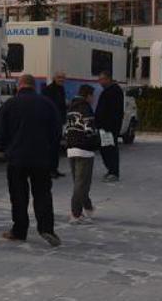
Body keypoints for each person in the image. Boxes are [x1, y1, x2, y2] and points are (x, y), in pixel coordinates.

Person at [0, 74, 62, 247]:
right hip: (41, 158)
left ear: (19, 85)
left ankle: (19, 230)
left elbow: (0, 131)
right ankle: (47, 228)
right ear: (34, 86)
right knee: (43, 194)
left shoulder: (9, 104)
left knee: (18, 196)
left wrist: (7, 149)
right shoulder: (47, 104)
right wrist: (48, 150)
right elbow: (57, 132)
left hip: (17, 159)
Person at [65, 84, 98, 224]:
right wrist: (97, 141)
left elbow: (66, 129)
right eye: (92, 95)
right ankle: (75, 213)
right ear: (88, 95)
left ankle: (88, 207)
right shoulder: (86, 108)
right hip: (84, 150)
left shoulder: (71, 108)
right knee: (82, 184)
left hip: (71, 148)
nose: (93, 98)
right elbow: (89, 130)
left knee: (79, 182)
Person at [95, 71, 124, 183]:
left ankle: (114, 172)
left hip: (109, 128)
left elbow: (114, 111)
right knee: (105, 149)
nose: (100, 82)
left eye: (102, 79)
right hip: (104, 127)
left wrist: (108, 126)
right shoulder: (107, 91)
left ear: (108, 79)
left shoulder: (114, 91)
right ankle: (110, 170)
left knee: (110, 149)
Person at [41, 71, 67, 179]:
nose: (61, 80)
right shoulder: (48, 90)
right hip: (50, 122)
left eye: (63, 78)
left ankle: (54, 169)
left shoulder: (61, 89)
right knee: (50, 147)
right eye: (59, 77)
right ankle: (49, 170)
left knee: (56, 147)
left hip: (58, 122)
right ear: (54, 78)